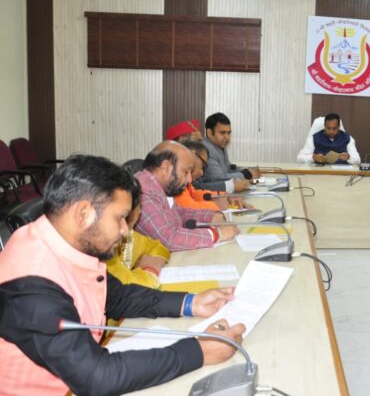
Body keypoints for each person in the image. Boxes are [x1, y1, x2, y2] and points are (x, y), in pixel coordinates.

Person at [0, 155, 245, 395]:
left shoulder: (60, 241)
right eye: (119, 218)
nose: (125, 229)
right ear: (83, 213)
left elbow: (116, 295)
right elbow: (96, 377)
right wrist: (199, 352)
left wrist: (191, 303)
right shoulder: (31, 284)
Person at [135, 141, 238, 250]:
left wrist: (212, 217)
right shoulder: (143, 192)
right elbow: (168, 239)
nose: (189, 179)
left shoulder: (158, 186)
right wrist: (216, 234)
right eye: (185, 172)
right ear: (166, 168)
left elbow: (180, 213)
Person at [105, 176, 170, 288]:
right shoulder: (102, 248)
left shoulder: (129, 236)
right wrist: (150, 269)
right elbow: (128, 286)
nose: (124, 229)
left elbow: (158, 247)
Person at [176, 140, 247, 212]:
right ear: (193, 154)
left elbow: (194, 194)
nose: (202, 173)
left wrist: (221, 195)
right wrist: (215, 204)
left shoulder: (186, 181)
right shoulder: (176, 180)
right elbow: (187, 208)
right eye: (203, 165)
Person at [202, 112, 258, 193]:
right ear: (210, 133)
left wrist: (245, 170)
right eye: (222, 133)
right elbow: (218, 178)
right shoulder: (205, 149)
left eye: (228, 133)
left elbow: (227, 169)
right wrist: (246, 175)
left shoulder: (220, 146)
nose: (227, 137)